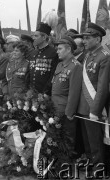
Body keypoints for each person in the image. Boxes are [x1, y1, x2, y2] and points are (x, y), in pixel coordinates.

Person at [77, 23, 110, 171]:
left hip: (94, 107)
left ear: (97, 39)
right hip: (84, 105)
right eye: (83, 38)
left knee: (96, 142)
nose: (84, 41)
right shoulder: (89, 55)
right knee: (87, 141)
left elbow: (103, 88)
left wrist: (95, 110)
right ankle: (91, 163)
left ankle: (99, 169)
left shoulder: (104, 57)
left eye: (87, 38)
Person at [51, 36, 82, 156]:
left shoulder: (76, 66)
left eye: (60, 49)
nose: (57, 51)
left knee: (67, 139)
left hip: (65, 110)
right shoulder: (60, 65)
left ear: (68, 49)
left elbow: (74, 92)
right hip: (54, 106)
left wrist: (69, 112)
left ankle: (66, 162)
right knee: (56, 136)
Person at [30, 22, 59, 95]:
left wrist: (46, 92)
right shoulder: (33, 52)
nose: (33, 38)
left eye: (36, 36)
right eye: (33, 36)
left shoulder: (54, 53)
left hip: (45, 94)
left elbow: (53, 75)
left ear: (44, 37)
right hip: (31, 92)